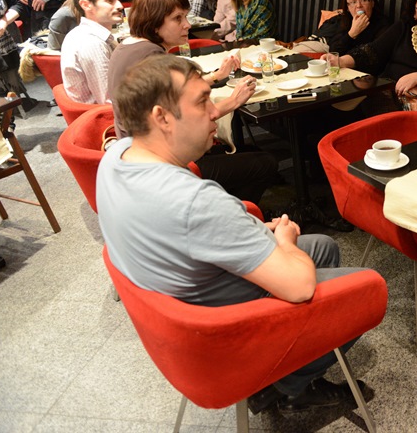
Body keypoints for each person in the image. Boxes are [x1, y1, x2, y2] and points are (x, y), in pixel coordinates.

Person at [97, 54, 372, 413]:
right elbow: (300, 286)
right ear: (161, 118)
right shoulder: (195, 201)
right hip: (226, 334)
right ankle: (286, 385)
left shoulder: (116, 156)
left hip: (184, 313)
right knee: (363, 289)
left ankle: (294, 370)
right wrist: (284, 242)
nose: (215, 112)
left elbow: (195, 231)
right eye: (202, 102)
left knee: (322, 246)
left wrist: (247, 231)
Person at [107, 0, 277, 205]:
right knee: (265, 162)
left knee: (247, 150)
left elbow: (172, 91)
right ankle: (228, 212)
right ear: (154, 23)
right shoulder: (152, 56)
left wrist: (216, 76)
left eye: (185, 17)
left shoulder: (128, 46)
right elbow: (189, 119)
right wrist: (233, 101)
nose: (187, 24)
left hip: (137, 154)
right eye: (177, 18)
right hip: (164, 166)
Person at [60, 0, 123, 104]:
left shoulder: (81, 33)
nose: (120, 6)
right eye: (110, 1)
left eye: (118, 0)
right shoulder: (92, 43)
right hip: (105, 115)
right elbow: (109, 101)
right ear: (86, 5)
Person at [301, 0, 390, 55]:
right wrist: (352, 33)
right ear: (348, 8)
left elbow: (374, 55)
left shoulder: (382, 24)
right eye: (353, 2)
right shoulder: (345, 20)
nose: (359, 5)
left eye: (364, 0)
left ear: (372, 3)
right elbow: (334, 51)